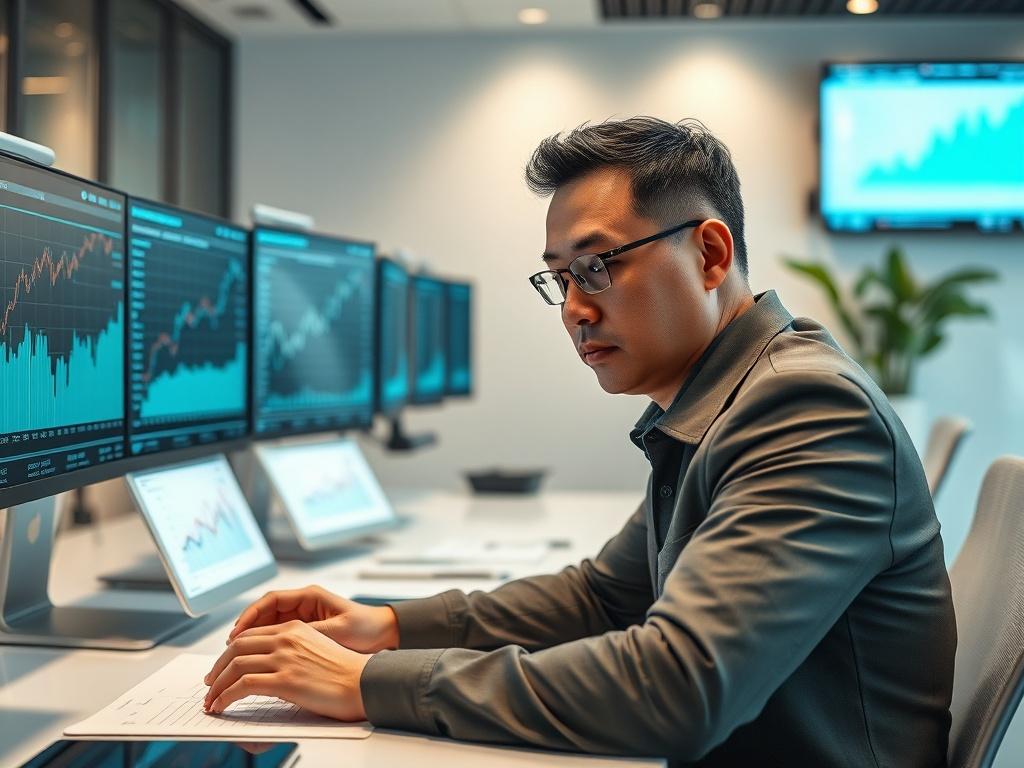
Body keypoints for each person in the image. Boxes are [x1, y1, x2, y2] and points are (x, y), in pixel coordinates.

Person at [203, 117, 956, 766]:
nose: (572, 310)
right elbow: (605, 596)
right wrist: (388, 626)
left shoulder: (804, 408)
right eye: (557, 279)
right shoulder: (726, 402)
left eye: (596, 268)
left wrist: (365, 684)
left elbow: (679, 688)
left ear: (711, 255)